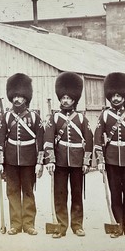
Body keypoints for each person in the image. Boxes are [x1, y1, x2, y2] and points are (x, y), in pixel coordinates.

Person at [93, 72, 125, 238]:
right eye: (113, 95)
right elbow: (97, 137)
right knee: (115, 193)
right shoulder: (105, 114)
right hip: (111, 159)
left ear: (124, 96)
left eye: (119, 95)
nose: (115, 98)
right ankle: (118, 225)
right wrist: (100, 160)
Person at [44, 72, 93, 239]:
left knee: (77, 193)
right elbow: (48, 140)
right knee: (60, 194)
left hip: (78, 162)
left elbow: (89, 141)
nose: (65, 100)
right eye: (63, 97)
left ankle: (77, 225)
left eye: (68, 98)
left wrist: (86, 162)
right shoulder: (54, 117)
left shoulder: (81, 118)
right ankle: (61, 226)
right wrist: (50, 160)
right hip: (60, 162)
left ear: (74, 100)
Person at [0, 73, 44, 236]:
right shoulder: (6, 117)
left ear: (26, 98)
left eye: (20, 97)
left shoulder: (35, 117)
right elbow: (0, 141)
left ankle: (29, 223)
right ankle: (15, 224)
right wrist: (0, 162)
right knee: (13, 191)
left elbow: (41, 142)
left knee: (28, 191)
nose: (17, 99)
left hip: (29, 159)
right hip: (10, 160)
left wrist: (39, 162)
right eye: (14, 96)